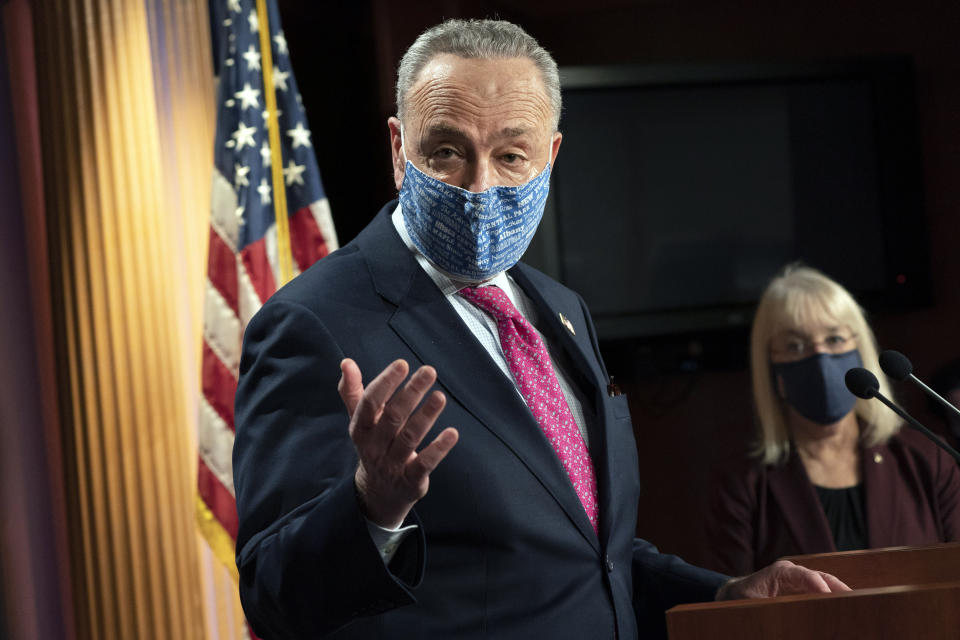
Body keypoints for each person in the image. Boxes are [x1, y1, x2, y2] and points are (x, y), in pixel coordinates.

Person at [233, 20, 847, 640]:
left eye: (510, 155)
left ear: (550, 155)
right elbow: (271, 596)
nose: (479, 186)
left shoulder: (560, 308)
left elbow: (589, 554)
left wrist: (721, 594)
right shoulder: (311, 323)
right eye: (446, 151)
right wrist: (371, 508)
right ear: (399, 149)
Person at [704, 264, 960, 577]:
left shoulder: (928, 459)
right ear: (773, 371)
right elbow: (732, 607)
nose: (820, 358)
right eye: (795, 346)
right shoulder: (743, 483)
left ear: (860, 351)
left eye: (835, 339)